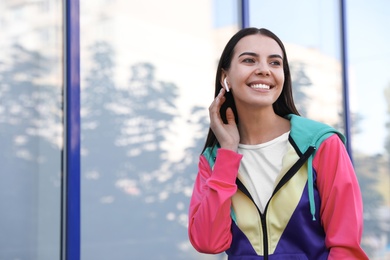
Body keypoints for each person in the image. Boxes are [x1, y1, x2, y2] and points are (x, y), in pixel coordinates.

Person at [187, 27, 368, 259]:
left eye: (274, 63)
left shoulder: (321, 145)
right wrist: (228, 154)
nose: (263, 70)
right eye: (249, 60)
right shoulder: (213, 160)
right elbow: (208, 242)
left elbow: (346, 248)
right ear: (226, 77)